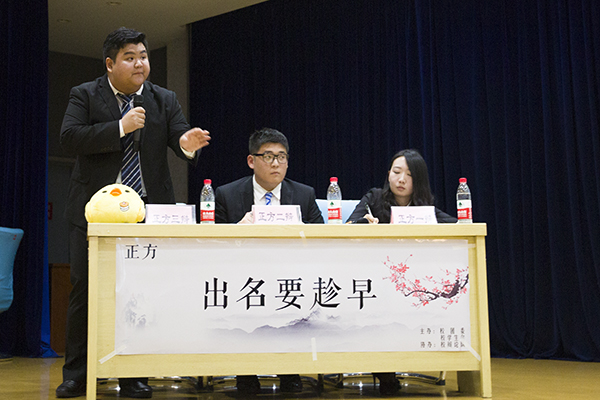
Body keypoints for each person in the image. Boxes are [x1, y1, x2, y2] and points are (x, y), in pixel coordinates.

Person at [57, 27, 211, 399]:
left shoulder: (164, 99)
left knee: (141, 294)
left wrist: (187, 144)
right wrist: (119, 127)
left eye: (143, 56)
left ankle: (133, 375)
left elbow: (180, 138)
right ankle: (78, 373)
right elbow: (69, 137)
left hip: (147, 212)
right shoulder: (85, 94)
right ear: (110, 64)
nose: (140, 63)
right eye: (130, 57)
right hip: (94, 213)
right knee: (85, 292)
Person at [214, 128, 323, 394]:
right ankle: (246, 373)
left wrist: (302, 234)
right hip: (243, 276)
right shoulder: (227, 194)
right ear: (251, 160)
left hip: (291, 274)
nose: (276, 163)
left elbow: (321, 239)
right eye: (269, 156)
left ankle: (289, 371)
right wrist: (236, 231)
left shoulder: (304, 194)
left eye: (281, 157)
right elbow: (213, 245)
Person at [348, 149, 456, 395]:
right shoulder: (374, 198)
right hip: (376, 278)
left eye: (409, 175)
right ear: (388, 174)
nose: (401, 179)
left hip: (414, 282)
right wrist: (366, 226)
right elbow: (349, 225)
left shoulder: (424, 207)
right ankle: (386, 373)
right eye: (396, 172)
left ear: (419, 180)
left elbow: (456, 226)